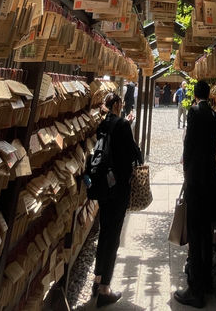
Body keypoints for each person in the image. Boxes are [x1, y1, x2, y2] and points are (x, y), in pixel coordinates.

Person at [174, 80, 216, 309]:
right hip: (211, 179)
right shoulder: (214, 116)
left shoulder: (194, 112)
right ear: (209, 94)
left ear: (194, 95)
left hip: (196, 179)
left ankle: (196, 290)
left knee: (195, 231)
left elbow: (189, 143)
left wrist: (185, 168)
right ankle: (208, 281)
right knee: (206, 232)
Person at [92, 92, 142, 307]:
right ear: (118, 104)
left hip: (102, 184)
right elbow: (134, 154)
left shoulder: (102, 124)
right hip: (118, 186)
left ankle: (96, 278)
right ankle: (105, 289)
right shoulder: (121, 124)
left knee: (104, 230)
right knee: (113, 234)